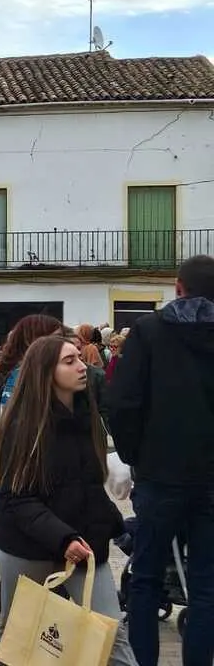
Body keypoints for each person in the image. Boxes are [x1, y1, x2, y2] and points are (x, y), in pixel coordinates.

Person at [0, 335, 134, 666]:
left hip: (84, 544)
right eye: (70, 361)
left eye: (80, 358)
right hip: (27, 548)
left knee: (112, 630)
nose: (83, 367)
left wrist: (115, 524)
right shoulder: (21, 425)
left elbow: (88, 485)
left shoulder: (87, 418)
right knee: (16, 628)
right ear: (45, 372)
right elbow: (16, 499)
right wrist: (63, 538)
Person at [108, 254, 214, 666]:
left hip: (159, 475)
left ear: (178, 287)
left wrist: (136, 458)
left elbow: (123, 402)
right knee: (206, 584)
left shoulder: (149, 331)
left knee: (146, 579)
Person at [0, 313, 64, 426]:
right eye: (56, 338)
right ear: (34, 341)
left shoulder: (42, 373)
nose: (62, 344)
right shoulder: (20, 377)